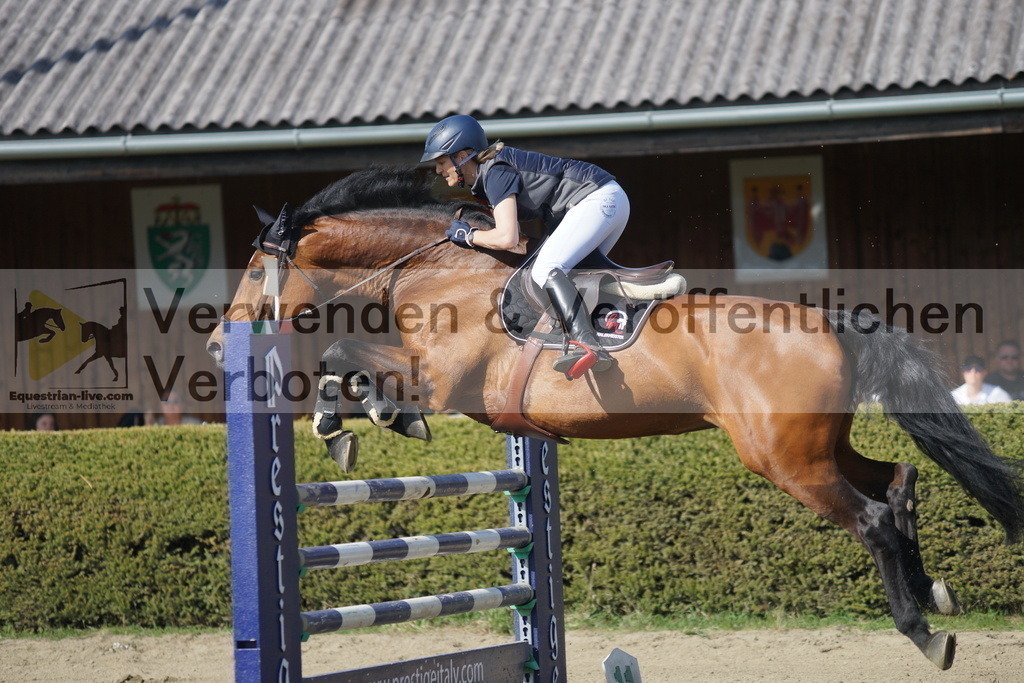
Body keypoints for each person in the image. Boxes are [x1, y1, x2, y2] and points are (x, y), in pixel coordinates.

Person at [421, 114, 628, 374]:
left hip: (596, 200)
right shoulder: (491, 173)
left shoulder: (496, 171)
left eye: (441, 162)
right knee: (574, 277)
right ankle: (613, 329)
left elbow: (507, 238)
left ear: (462, 155)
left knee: (546, 270)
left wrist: (469, 236)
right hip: (604, 199)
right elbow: (517, 238)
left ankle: (587, 345)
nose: (438, 171)